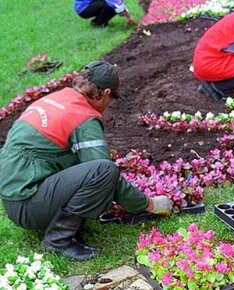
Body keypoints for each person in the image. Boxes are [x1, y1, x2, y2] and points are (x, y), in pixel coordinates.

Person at [0, 61, 173, 261]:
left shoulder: (58, 98)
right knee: (104, 171)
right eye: (113, 98)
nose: (109, 104)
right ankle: (58, 240)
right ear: (106, 93)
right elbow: (105, 173)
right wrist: (149, 204)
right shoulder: (83, 117)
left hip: (12, 196)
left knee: (92, 166)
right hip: (27, 206)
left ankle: (58, 224)